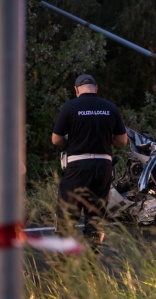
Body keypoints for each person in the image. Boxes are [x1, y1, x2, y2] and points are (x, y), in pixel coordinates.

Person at [52, 74, 127, 251]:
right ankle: (92, 263)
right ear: (96, 88)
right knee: (95, 218)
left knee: (67, 216)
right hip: (103, 167)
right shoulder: (110, 108)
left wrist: (67, 144)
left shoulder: (70, 107)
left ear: (76, 90)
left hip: (77, 166)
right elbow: (122, 141)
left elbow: (56, 139)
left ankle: (63, 265)